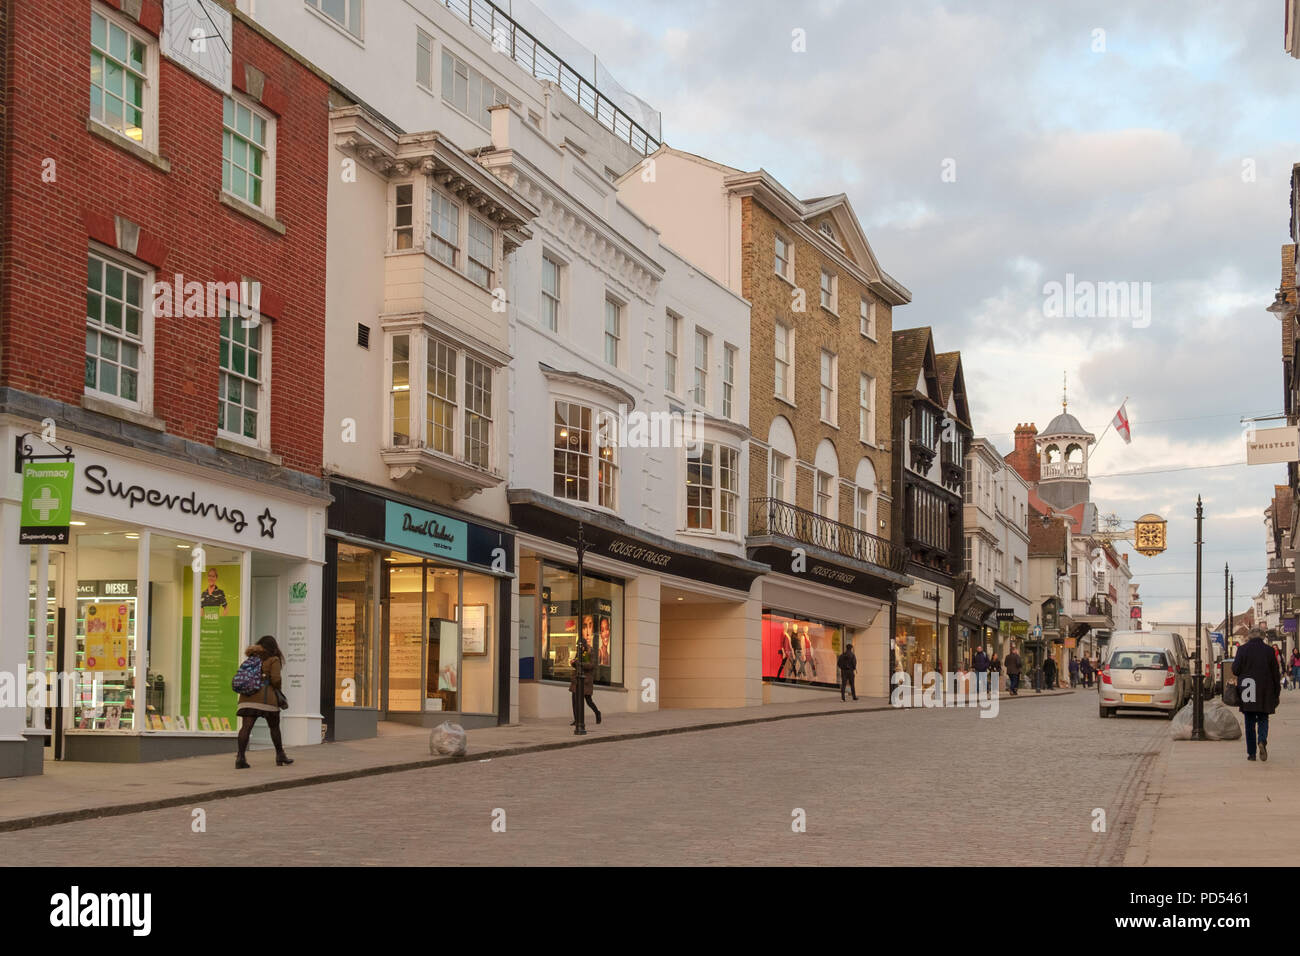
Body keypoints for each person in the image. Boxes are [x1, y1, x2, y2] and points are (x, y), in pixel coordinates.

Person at [235, 636, 291, 769]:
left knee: (246, 728)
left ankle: (240, 757)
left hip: (247, 696)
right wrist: (277, 689)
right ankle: (280, 755)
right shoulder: (274, 659)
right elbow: (276, 679)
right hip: (266, 698)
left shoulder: (252, 658)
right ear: (274, 647)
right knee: (274, 727)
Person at [1233, 627, 1281, 761]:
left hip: (1248, 689)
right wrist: (1277, 692)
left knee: (1249, 721)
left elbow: (1235, 669)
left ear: (1249, 636)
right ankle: (1262, 740)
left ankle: (1252, 753)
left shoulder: (1242, 650)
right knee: (1263, 718)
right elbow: (1275, 674)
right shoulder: (1269, 650)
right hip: (1265, 689)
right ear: (1262, 637)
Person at [569, 636, 601, 727]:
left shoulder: (591, 652)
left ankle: (597, 713)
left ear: (584, 644)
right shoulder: (579, 652)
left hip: (586, 680)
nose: (579, 648)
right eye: (578, 646)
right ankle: (577, 720)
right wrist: (573, 663)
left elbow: (592, 665)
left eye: (581, 646)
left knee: (588, 701)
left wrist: (580, 664)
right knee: (574, 700)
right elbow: (577, 664)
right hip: (577, 679)